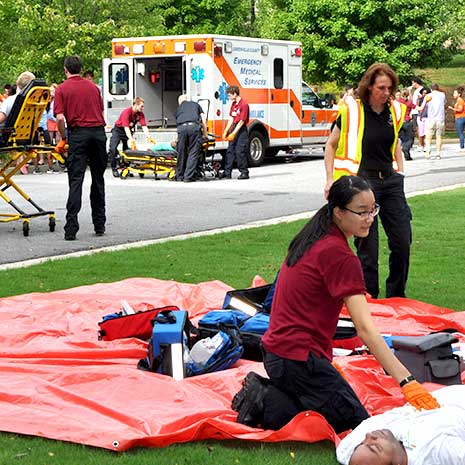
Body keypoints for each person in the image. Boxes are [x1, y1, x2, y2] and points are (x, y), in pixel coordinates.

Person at [232, 176, 439, 434]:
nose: (370, 217)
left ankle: (268, 397)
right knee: (361, 428)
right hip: (296, 360)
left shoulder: (312, 236)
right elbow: (365, 329)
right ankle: (265, 397)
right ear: (338, 212)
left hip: (278, 354)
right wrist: (407, 381)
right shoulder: (339, 255)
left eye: (373, 209)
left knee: (314, 414)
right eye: (361, 212)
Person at [324, 63, 411, 299]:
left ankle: (396, 297)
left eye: (389, 88)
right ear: (369, 86)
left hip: (390, 182)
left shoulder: (394, 111)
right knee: (368, 249)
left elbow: (396, 145)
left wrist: (400, 172)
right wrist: (330, 179)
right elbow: (330, 145)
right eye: (381, 88)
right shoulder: (351, 111)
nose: (386, 93)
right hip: (363, 184)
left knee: (402, 243)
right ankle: (369, 297)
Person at [336, 384, 465, 465]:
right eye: (375, 447)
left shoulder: (348, 453)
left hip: (431, 396)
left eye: (363, 443)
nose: (369, 436)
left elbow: (350, 446)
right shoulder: (438, 451)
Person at [54, 55, 107, 241]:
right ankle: (99, 223)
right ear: (81, 68)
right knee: (98, 178)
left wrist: (63, 137)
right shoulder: (93, 88)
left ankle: (71, 228)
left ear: (65, 69)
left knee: (76, 180)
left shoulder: (61, 89)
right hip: (98, 133)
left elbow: (60, 118)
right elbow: (99, 111)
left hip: (79, 134)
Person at [108, 97, 151, 177]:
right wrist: (131, 139)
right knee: (113, 148)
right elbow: (126, 127)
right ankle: (114, 168)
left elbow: (144, 126)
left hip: (128, 131)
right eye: (141, 106)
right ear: (136, 105)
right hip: (119, 130)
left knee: (127, 150)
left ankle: (126, 167)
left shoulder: (140, 114)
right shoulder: (126, 112)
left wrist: (149, 136)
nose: (143, 108)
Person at [174, 94, 207, 182]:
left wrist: (177, 139)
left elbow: (179, 125)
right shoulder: (196, 104)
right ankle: (188, 176)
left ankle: (179, 176)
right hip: (194, 128)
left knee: (181, 152)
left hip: (182, 129)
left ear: (180, 102)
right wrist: (205, 134)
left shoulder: (178, 109)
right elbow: (203, 120)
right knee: (193, 152)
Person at [220, 85, 250, 180]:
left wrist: (234, 133)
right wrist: (226, 130)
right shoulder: (234, 104)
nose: (229, 98)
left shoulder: (244, 105)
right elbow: (231, 118)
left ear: (235, 94)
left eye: (229, 95)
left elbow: (241, 121)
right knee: (230, 151)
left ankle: (244, 172)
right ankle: (227, 172)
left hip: (241, 130)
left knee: (240, 151)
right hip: (234, 127)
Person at [419, 83, 446, 160]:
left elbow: (423, 107)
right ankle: (438, 154)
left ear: (431, 89)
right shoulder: (442, 95)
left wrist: (421, 115)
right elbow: (444, 103)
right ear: (438, 88)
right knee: (439, 136)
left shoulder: (428, 96)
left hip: (431, 118)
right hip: (440, 118)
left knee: (428, 137)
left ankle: (428, 149)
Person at [396, 89, 416, 161]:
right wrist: (425, 102)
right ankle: (405, 148)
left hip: (400, 122)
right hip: (407, 121)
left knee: (402, 137)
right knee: (410, 138)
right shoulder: (409, 103)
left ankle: (406, 154)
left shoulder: (398, 102)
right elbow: (418, 108)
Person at [448, 86, 465, 152]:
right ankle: (462, 146)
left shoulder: (460, 100)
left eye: (455, 93)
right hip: (460, 117)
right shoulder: (458, 100)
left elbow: (460, 109)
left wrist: (452, 108)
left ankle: (462, 147)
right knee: (460, 133)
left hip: (460, 118)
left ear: (459, 94)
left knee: (460, 133)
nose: (453, 95)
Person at [410, 76, 424, 152]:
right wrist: (409, 92)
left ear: (416, 82)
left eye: (413, 83)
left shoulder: (421, 90)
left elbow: (419, 101)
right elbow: (412, 101)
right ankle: (421, 144)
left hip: (417, 111)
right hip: (414, 111)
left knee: (419, 128)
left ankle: (421, 144)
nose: (412, 84)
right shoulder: (416, 91)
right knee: (417, 128)